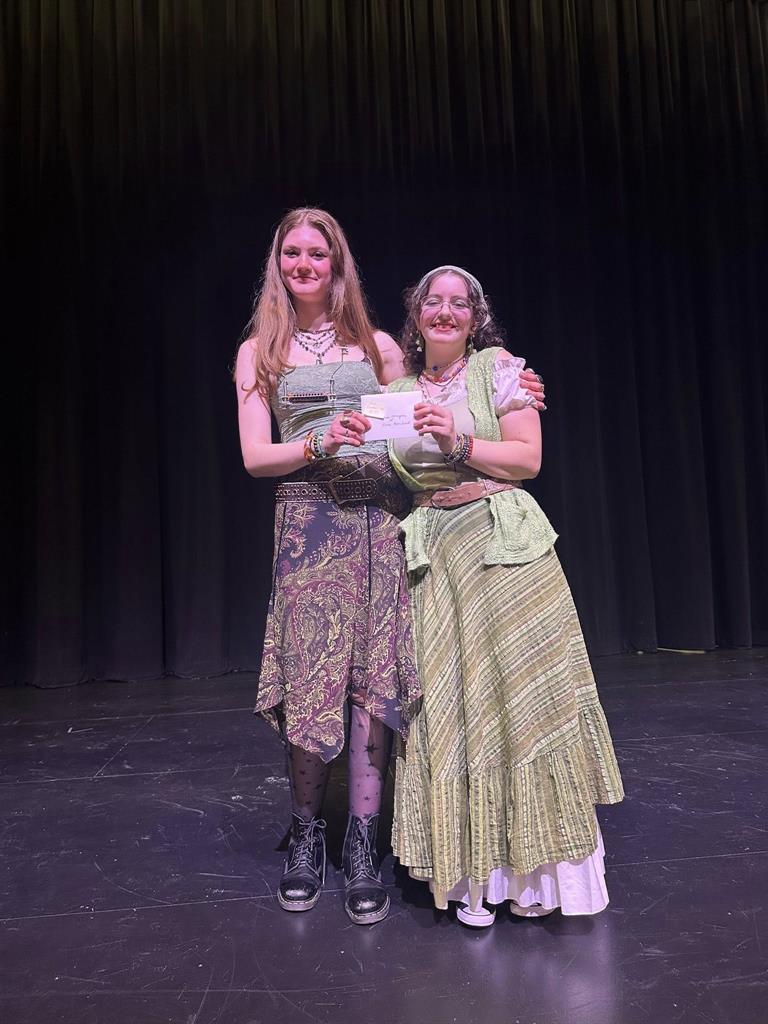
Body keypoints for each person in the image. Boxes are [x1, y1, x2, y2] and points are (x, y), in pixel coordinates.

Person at [235, 211, 547, 925]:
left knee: (375, 688)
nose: (306, 264)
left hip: (377, 519)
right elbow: (256, 457)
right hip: (309, 522)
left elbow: (434, 399)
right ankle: (309, 838)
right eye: (293, 252)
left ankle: (363, 846)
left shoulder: (375, 345)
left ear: (338, 264)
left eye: (320, 253)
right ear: (278, 263)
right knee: (311, 684)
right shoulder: (259, 351)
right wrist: (317, 447)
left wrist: (511, 387)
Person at [387, 265, 624, 926]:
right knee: (459, 709)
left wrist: (456, 440)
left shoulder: (499, 369)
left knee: (523, 704)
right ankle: (475, 882)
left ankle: (540, 881)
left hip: (502, 545)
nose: (444, 311)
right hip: (439, 559)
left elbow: (527, 459)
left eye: (459, 303)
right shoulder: (397, 389)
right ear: (415, 315)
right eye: (432, 301)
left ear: (475, 316)